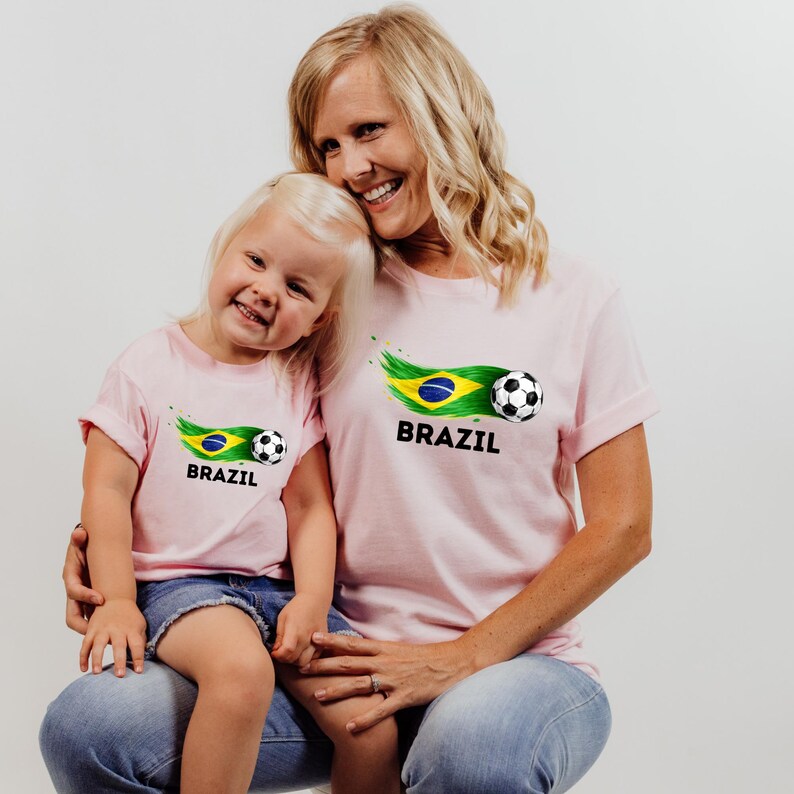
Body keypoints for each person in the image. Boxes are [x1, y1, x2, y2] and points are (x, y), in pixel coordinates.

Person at [41, 5, 658, 792]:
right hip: (326, 653)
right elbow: (211, 420)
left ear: (440, 112)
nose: (350, 165)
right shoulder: (326, 294)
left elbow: (624, 525)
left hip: (513, 666)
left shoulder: (575, 298)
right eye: (328, 145)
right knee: (89, 729)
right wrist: (116, 563)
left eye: (370, 130)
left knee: (471, 756)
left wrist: (458, 658)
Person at [62, 171, 400, 794]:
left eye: (297, 286)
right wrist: (114, 599)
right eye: (256, 259)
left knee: (371, 723)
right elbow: (106, 493)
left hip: (273, 594)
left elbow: (310, 509)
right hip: (181, 588)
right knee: (241, 672)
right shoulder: (148, 366)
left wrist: (311, 600)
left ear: (321, 320)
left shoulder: (294, 386)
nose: (266, 290)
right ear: (224, 244)